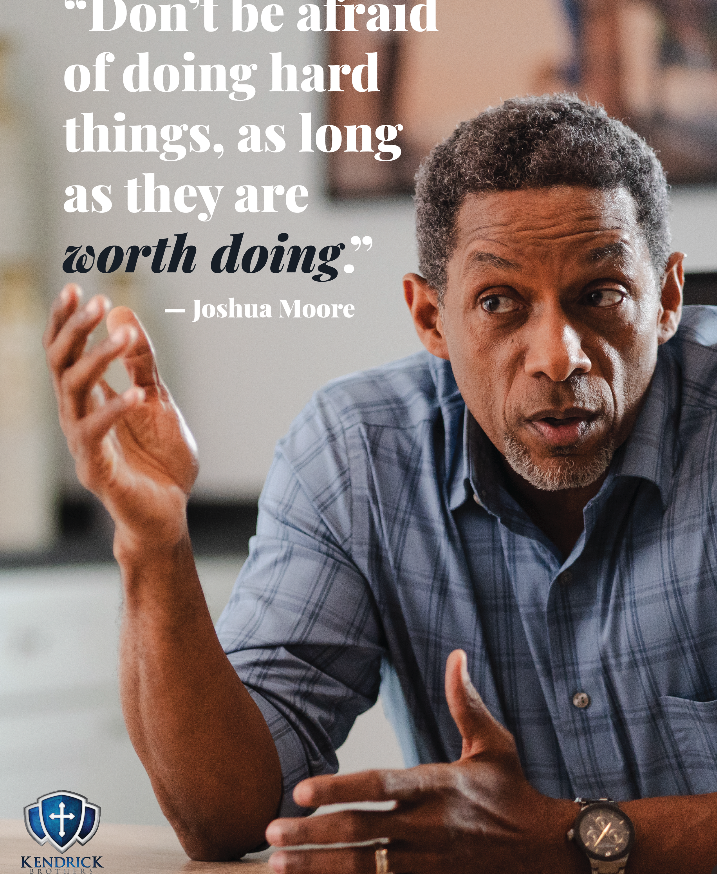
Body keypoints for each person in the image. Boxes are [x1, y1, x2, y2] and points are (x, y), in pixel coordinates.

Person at [44, 95, 717, 874]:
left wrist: (567, 839)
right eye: (499, 302)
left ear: (666, 298)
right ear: (430, 316)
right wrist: (152, 540)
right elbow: (225, 818)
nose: (557, 355)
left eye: (599, 295)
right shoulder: (359, 452)